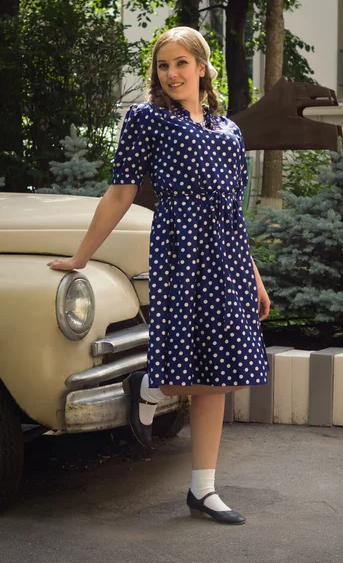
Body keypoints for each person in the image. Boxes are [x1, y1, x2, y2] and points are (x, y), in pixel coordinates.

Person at [47, 26, 271, 525]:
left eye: (181, 64)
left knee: (219, 375)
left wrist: (253, 275)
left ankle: (203, 491)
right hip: (179, 248)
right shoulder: (146, 119)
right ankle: (150, 386)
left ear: (202, 67)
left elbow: (232, 212)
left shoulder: (228, 130)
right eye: (163, 65)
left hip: (226, 256)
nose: (171, 74)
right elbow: (120, 194)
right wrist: (81, 257)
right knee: (180, 373)